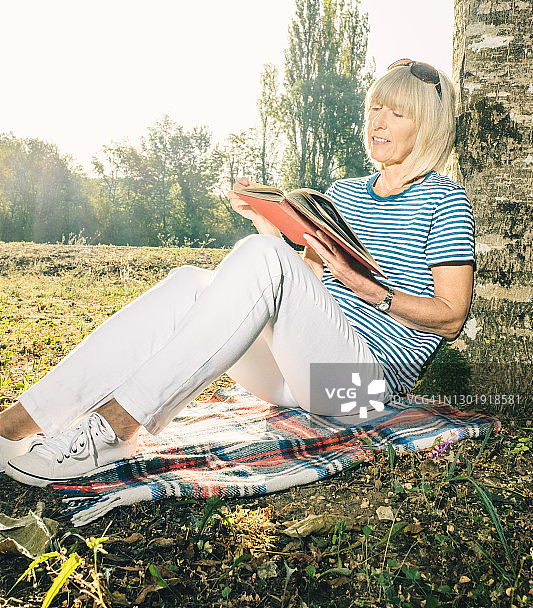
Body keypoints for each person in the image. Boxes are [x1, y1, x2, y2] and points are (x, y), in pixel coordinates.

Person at [0, 59, 475, 487]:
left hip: (359, 391)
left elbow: (452, 317)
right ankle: (15, 425)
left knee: (263, 257)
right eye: (374, 108)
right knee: (189, 282)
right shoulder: (344, 193)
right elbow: (303, 285)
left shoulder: (446, 200)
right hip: (292, 376)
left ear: (426, 128)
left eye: (397, 113)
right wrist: (267, 222)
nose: (378, 122)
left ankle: (114, 429)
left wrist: (372, 292)